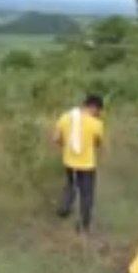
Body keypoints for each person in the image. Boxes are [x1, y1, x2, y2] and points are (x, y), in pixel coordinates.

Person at [51, 94, 105, 233]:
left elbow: (56, 139)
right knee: (86, 195)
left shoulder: (66, 117)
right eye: (98, 110)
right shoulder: (96, 123)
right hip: (87, 164)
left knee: (71, 186)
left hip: (69, 162)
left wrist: (66, 146)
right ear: (93, 107)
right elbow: (98, 143)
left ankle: (64, 208)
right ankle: (83, 225)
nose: (98, 113)